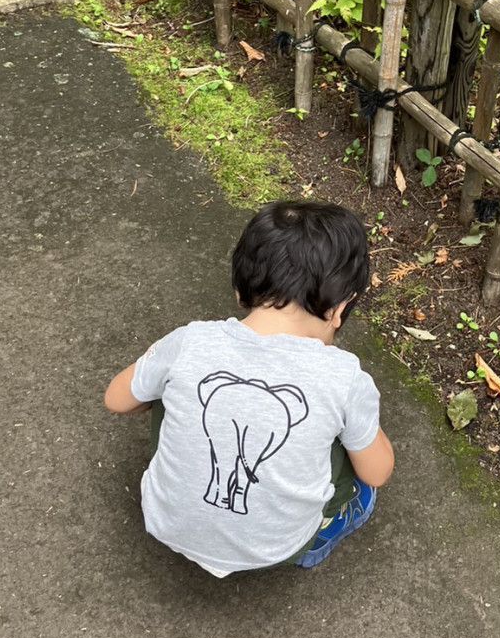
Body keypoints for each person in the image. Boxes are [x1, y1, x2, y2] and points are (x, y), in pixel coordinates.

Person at [104, 200, 394, 575]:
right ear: (341, 308)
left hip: (167, 522)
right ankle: (318, 536)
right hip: (276, 547)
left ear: (241, 291)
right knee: (347, 441)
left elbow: (117, 399)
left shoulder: (191, 342)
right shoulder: (344, 377)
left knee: (165, 382)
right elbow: (377, 473)